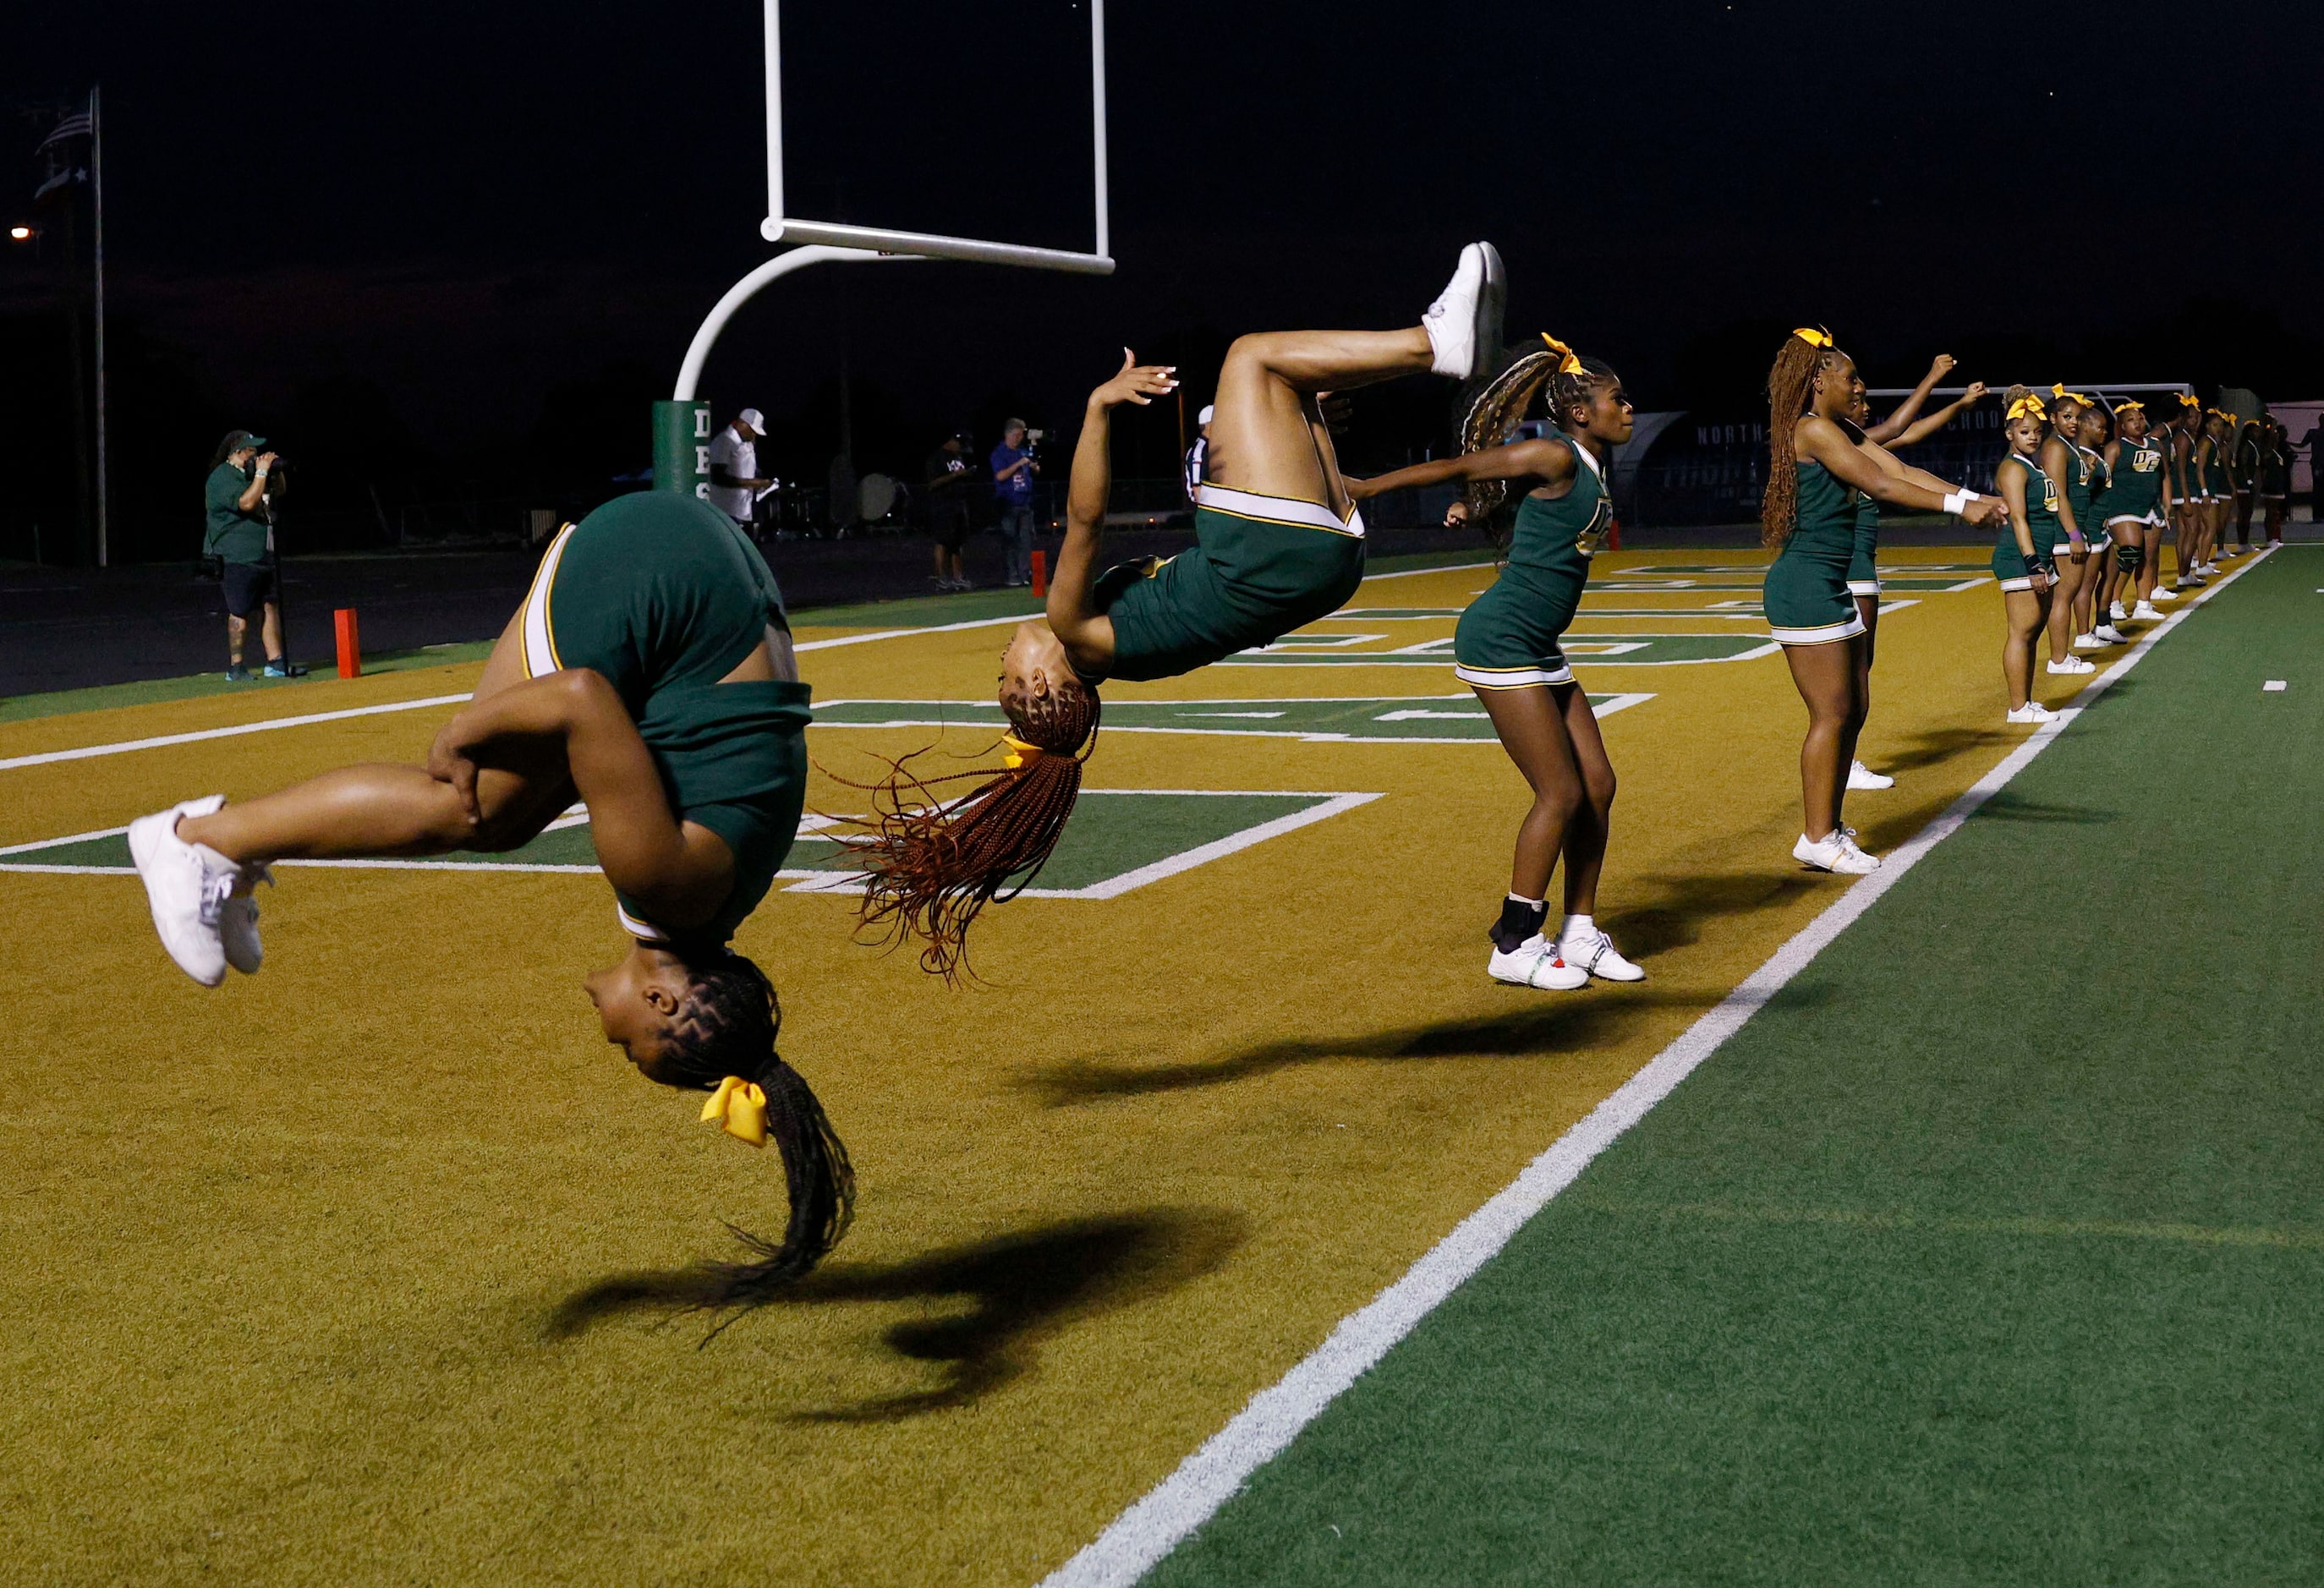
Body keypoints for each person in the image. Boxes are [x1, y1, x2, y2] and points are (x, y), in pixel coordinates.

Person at [124, 489, 852, 1308]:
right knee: (472, 807)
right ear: (660, 999)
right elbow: (581, 700)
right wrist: (472, 729)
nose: (609, 1035)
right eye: (629, 1046)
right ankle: (194, 843)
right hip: (655, 569)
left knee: (510, 811)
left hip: (697, 566)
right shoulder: (660, 879)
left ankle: (221, 846)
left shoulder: (711, 896)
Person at [841, 243, 1507, 975]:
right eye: (1005, 679)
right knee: (1253, 357)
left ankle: (1447, 350)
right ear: (1041, 683)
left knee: (1297, 385)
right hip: (1265, 555)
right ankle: (1432, 344)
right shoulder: (1077, 632)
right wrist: (1098, 410)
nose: (1002, 660)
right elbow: (1086, 520)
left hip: (1320, 571)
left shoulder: (1127, 653)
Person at [1338, 335, 1643, 991]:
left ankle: (1581, 933)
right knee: (1559, 792)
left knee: (1598, 785)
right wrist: (1367, 485)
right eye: (1617, 398)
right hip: (1501, 640)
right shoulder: (1556, 452)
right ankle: (1514, 942)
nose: (1630, 408)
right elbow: (1458, 466)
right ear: (1582, 412)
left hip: (1539, 646)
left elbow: (1511, 501)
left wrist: (1479, 510)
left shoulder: (1586, 463)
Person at [1759, 328, 2003, 874]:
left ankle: (1829, 824)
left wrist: (1971, 495)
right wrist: (1959, 510)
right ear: (1818, 379)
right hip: (1803, 587)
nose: (1859, 385)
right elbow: (1881, 485)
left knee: (1854, 709)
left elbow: (1903, 469)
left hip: (1830, 586)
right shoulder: (1814, 431)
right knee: (1833, 714)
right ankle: (1816, 837)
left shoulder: (1839, 429)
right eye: (1850, 376)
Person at [1843, 370, 1991, 789]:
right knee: (1848, 680)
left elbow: (1905, 438)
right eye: (1857, 396)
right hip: (1845, 564)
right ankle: (1843, 763)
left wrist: (1970, 498)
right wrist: (1933, 377)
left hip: (1858, 564)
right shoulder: (1831, 440)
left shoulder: (1855, 444)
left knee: (1857, 673)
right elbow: (1897, 441)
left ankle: (1844, 760)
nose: (1864, 403)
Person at [204, 430, 299, 681]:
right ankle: (236, 666)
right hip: (235, 556)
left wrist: (274, 472)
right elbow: (246, 503)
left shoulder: (249, 474)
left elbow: (278, 492)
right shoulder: (222, 477)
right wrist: (260, 472)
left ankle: (276, 661)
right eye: (251, 450)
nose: (256, 455)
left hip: (262, 553)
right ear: (236, 452)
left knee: (269, 605)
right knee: (240, 610)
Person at [1991, 393, 2062, 724]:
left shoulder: (2033, 464)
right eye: (2024, 432)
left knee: (2032, 632)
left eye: (2037, 431)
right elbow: (2018, 519)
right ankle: (2018, 707)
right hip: (2021, 558)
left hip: (2041, 555)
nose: (2032, 437)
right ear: (2009, 434)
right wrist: (2033, 562)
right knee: (2021, 632)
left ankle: (2026, 702)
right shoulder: (2013, 469)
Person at [2094, 399, 2169, 625]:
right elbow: (2102, 480)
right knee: (2131, 552)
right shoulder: (2116, 447)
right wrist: (2102, 511)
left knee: (2149, 555)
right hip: (2123, 506)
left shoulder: (2156, 444)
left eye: (2139, 418)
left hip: (2151, 507)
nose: (2137, 423)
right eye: (2130, 420)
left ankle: (2143, 604)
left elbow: (2165, 476)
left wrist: (2166, 505)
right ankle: (2114, 601)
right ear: (2122, 426)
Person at [990, 419, 1041, 587]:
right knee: (1010, 540)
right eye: (1016, 435)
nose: (1019, 438)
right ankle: (1013, 575)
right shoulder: (1000, 453)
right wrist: (1019, 464)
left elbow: (1034, 468)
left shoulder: (1021, 451)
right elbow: (1000, 476)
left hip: (1025, 502)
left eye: (1021, 435)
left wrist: (1033, 466)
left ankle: (1024, 573)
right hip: (1008, 503)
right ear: (1008, 434)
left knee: (1026, 541)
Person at [923, 433, 976, 591]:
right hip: (942, 504)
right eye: (960, 445)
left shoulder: (958, 457)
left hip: (959, 503)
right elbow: (932, 484)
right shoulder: (936, 458)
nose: (961, 449)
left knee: (957, 543)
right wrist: (955, 475)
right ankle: (941, 578)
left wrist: (965, 475)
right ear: (952, 442)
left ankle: (957, 577)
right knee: (942, 542)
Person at [705, 408, 771, 530]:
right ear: (742, 424)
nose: (754, 434)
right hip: (726, 511)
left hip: (742, 511)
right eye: (752, 430)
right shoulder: (724, 441)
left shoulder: (747, 443)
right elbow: (718, 477)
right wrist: (753, 483)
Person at [2257, 416, 2290, 547]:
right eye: (2275, 434)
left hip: (2277, 486)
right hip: (2270, 487)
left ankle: (2274, 537)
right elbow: (2269, 438)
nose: (2277, 435)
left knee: (2274, 513)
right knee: (2270, 513)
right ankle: (2270, 539)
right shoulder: (2268, 451)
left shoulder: (2276, 451)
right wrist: (2272, 425)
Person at [1183, 403, 1214, 502]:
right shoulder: (1200, 450)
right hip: (1204, 510)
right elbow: (1197, 487)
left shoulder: (1210, 447)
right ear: (1209, 425)